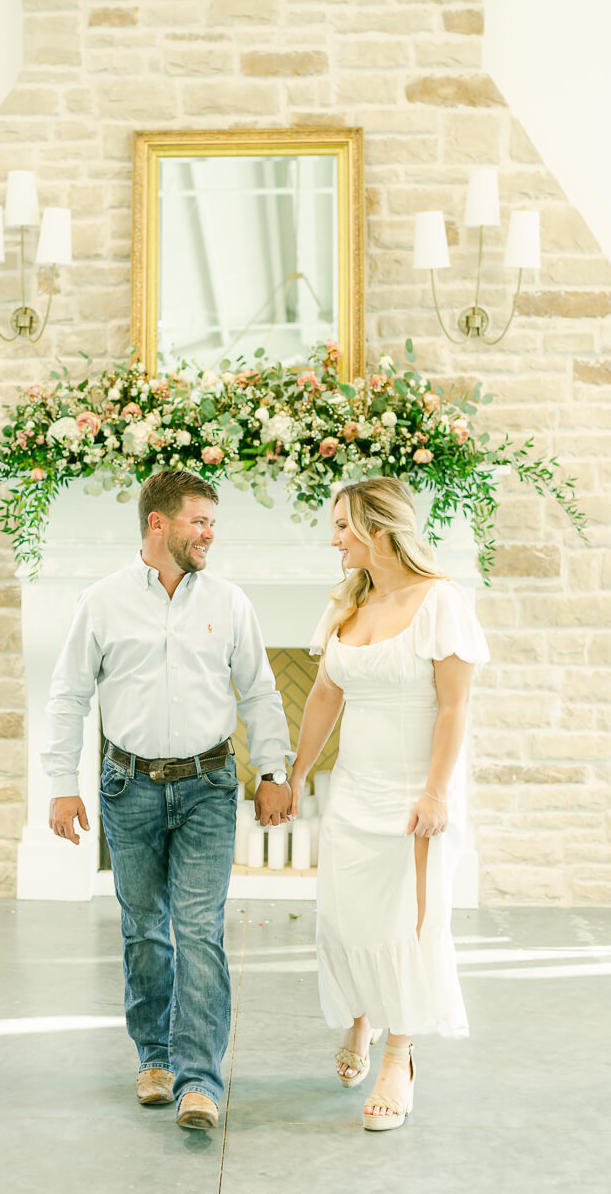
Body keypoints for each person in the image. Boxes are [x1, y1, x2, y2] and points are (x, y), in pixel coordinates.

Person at [42, 468, 293, 1130]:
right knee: (144, 932)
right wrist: (62, 784)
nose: (210, 533)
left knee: (198, 931)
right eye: (199, 521)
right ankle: (153, 1057)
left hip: (209, 786)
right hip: (128, 787)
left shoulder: (230, 603)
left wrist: (273, 771)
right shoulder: (100, 601)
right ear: (159, 524)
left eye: (213, 522)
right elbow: (69, 694)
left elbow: (262, 692)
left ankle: (200, 1081)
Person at [290, 477, 489, 1132]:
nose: (334, 538)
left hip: (414, 795)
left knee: (408, 926)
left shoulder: (441, 603)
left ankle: (399, 1057)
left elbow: (455, 705)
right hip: (353, 790)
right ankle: (361, 1017)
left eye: (343, 526)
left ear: (379, 529)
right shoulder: (347, 605)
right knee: (345, 921)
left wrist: (436, 794)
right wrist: (296, 774)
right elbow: (324, 696)